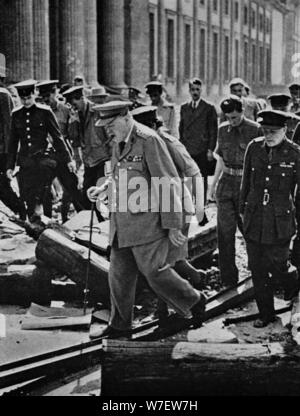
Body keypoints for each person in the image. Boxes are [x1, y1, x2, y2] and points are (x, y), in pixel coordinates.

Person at [87, 101, 206, 339]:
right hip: (121, 223)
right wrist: (103, 190)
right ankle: (120, 325)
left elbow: (167, 182)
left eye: (110, 124)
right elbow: (120, 177)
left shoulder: (149, 140)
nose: (107, 130)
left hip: (147, 223)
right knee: (119, 275)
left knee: (155, 272)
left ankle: (194, 301)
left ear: (125, 117)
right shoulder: (118, 142)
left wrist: (173, 225)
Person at [131, 105, 205, 291]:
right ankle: (196, 282)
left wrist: (200, 207)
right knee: (170, 259)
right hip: (160, 207)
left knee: (168, 261)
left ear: (153, 126)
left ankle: (189, 293)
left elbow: (194, 172)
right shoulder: (144, 143)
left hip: (177, 205)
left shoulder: (168, 143)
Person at [240, 110, 300, 328]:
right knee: (257, 268)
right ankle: (266, 314)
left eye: (273, 131)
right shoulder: (254, 148)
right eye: (265, 131)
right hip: (255, 217)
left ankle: (293, 283)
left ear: (285, 130)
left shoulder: (294, 154)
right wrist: (242, 211)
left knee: (279, 266)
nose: (269, 135)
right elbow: (245, 182)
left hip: (280, 221)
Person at [209, 96, 263, 288]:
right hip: (226, 183)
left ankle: (257, 273)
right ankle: (229, 279)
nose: (231, 121)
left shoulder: (255, 129)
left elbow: (260, 163)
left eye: (234, 117)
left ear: (242, 111)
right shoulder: (223, 129)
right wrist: (212, 186)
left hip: (246, 185)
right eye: (228, 117)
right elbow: (220, 159)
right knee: (224, 234)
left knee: (250, 231)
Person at [6, 80, 75, 222]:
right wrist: (9, 166)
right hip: (26, 161)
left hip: (43, 159)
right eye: (22, 99)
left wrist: (68, 159)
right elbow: (13, 143)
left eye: (28, 98)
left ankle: (48, 221)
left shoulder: (44, 112)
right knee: (28, 194)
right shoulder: (16, 114)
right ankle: (34, 223)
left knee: (44, 192)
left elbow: (57, 138)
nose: (25, 102)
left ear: (34, 94)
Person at [36, 80, 85, 221]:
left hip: (63, 156)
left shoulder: (65, 110)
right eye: (43, 97)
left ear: (54, 93)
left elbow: (73, 136)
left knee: (73, 188)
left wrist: (75, 156)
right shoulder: (38, 111)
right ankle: (47, 222)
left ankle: (84, 219)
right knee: (44, 191)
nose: (45, 100)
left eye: (48, 96)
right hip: (46, 156)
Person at [62, 86, 110, 213]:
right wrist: (73, 121)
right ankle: (93, 224)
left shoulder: (97, 112)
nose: (73, 107)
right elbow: (74, 138)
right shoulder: (77, 115)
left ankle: (104, 225)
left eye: (74, 103)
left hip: (103, 160)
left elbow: (109, 136)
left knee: (102, 196)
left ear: (81, 98)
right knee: (87, 196)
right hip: (89, 161)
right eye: (70, 105)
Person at [179, 77, 218, 208]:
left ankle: (201, 202)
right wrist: (181, 147)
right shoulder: (184, 108)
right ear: (189, 91)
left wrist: (210, 150)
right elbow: (181, 128)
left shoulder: (208, 108)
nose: (195, 92)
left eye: (197, 89)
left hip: (202, 148)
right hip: (188, 148)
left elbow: (213, 131)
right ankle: (190, 201)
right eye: (192, 89)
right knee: (189, 175)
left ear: (201, 90)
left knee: (202, 176)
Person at [0, 56, 26, 220]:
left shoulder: (3, 95)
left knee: (2, 185)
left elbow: (10, 126)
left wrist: (12, 155)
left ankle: (21, 211)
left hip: (2, 151)